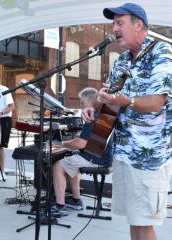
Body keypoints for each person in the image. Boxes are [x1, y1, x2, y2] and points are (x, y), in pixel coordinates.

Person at [82, 3, 172, 240]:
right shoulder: (121, 61)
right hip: (123, 154)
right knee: (134, 220)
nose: (114, 28)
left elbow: (156, 102)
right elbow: (111, 102)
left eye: (120, 23)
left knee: (144, 225)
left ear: (138, 25)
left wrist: (127, 100)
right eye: (114, 24)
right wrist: (95, 106)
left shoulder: (161, 53)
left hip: (148, 158)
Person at [51, 87, 113, 216]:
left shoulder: (93, 116)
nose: (81, 106)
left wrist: (61, 144)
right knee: (71, 164)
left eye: (82, 103)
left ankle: (59, 206)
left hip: (96, 159)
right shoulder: (102, 113)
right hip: (103, 158)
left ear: (90, 102)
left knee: (58, 166)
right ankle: (76, 200)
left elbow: (81, 143)